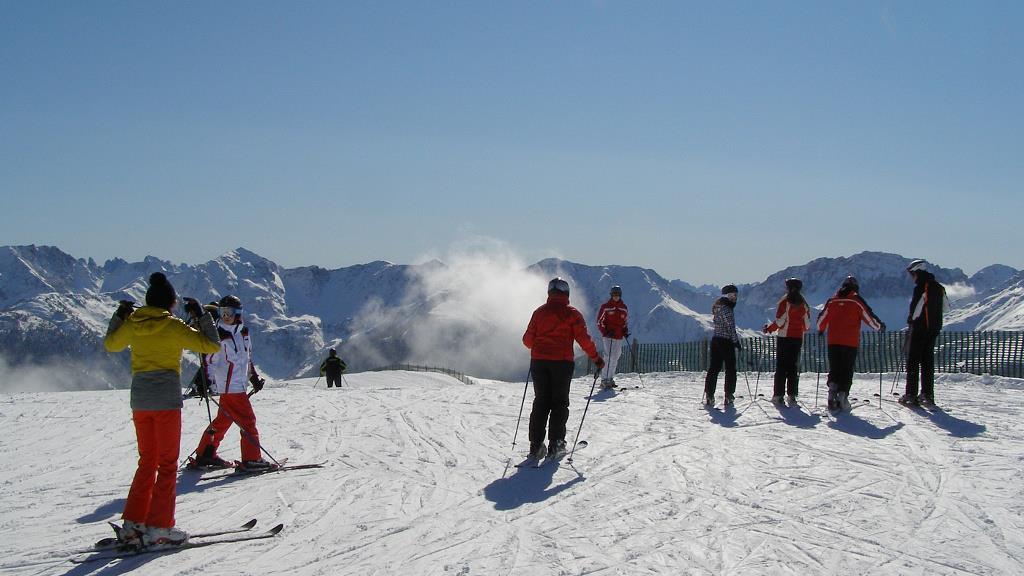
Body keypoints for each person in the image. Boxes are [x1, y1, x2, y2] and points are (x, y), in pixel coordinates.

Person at [103, 272, 220, 548]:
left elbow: (111, 344)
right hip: (166, 399)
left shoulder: (133, 324)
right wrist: (203, 316)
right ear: (171, 302)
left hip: (140, 399)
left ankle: (133, 524)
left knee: (147, 460)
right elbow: (212, 345)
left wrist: (119, 316)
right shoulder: (173, 326)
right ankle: (160, 527)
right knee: (167, 464)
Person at [522, 277, 604, 460]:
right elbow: (584, 340)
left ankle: (536, 446)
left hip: (539, 362)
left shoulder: (539, 313)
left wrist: (540, 344)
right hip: (562, 363)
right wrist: (596, 359)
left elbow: (527, 341)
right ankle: (556, 444)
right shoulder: (572, 314)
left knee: (541, 402)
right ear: (566, 293)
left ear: (549, 292)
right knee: (559, 403)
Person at [192, 295, 271, 471]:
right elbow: (208, 361)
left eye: (229, 312)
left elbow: (246, 358)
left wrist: (253, 377)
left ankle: (205, 453)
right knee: (248, 421)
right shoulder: (219, 336)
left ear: (238, 313)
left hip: (238, 384)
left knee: (223, 420)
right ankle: (252, 458)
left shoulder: (244, 333)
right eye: (222, 312)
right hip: (229, 387)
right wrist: (205, 381)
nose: (225, 316)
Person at [816, 276, 884, 411]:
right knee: (846, 369)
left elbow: (821, 320)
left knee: (835, 367)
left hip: (833, 341)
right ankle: (842, 396)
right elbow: (869, 317)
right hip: (850, 342)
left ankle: (832, 392)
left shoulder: (832, 300)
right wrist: (879, 327)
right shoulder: (856, 300)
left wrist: (821, 330)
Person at [900, 259, 947, 407]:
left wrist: (911, 319)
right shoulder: (939, 287)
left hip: (920, 328)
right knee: (927, 361)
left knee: (913, 361)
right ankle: (927, 394)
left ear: (917, 272)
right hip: (934, 328)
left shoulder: (921, 287)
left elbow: (916, 308)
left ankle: (911, 395)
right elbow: (946, 307)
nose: (911, 277)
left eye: (912, 274)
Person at [763, 278, 811, 407]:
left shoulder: (785, 302)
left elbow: (780, 321)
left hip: (784, 337)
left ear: (788, 288)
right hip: (797, 338)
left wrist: (769, 329)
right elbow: (807, 325)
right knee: (792, 366)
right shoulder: (804, 304)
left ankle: (778, 396)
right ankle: (792, 395)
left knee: (781, 366)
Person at [704, 285, 741, 407]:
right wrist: (736, 341)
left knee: (714, 367)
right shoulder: (727, 309)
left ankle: (709, 395)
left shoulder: (718, 307)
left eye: (736, 295)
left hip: (716, 340)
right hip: (726, 341)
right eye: (733, 295)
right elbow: (730, 327)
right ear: (727, 296)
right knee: (730, 368)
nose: (735, 298)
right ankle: (729, 395)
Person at [596, 285, 629, 389]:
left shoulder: (624, 308)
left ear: (620, 295)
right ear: (611, 295)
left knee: (616, 356)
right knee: (608, 356)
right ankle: (604, 380)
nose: (616, 296)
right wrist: (605, 331)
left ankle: (610, 378)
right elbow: (599, 322)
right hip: (608, 336)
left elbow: (625, 322)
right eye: (614, 294)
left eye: (617, 294)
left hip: (618, 336)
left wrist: (625, 330)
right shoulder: (606, 307)